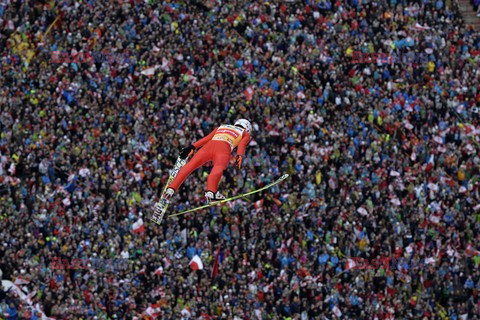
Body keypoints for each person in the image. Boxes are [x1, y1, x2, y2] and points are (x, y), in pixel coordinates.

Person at [153, 119, 252, 216]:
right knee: (218, 167)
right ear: (247, 128)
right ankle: (211, 192)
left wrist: (192, 147)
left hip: (208, 146)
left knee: (190, 165)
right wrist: (239, 156)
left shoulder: (222, 126)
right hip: (224, 148)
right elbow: (242, 144)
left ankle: (171, 188)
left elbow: (207, 138)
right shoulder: (245, 133)